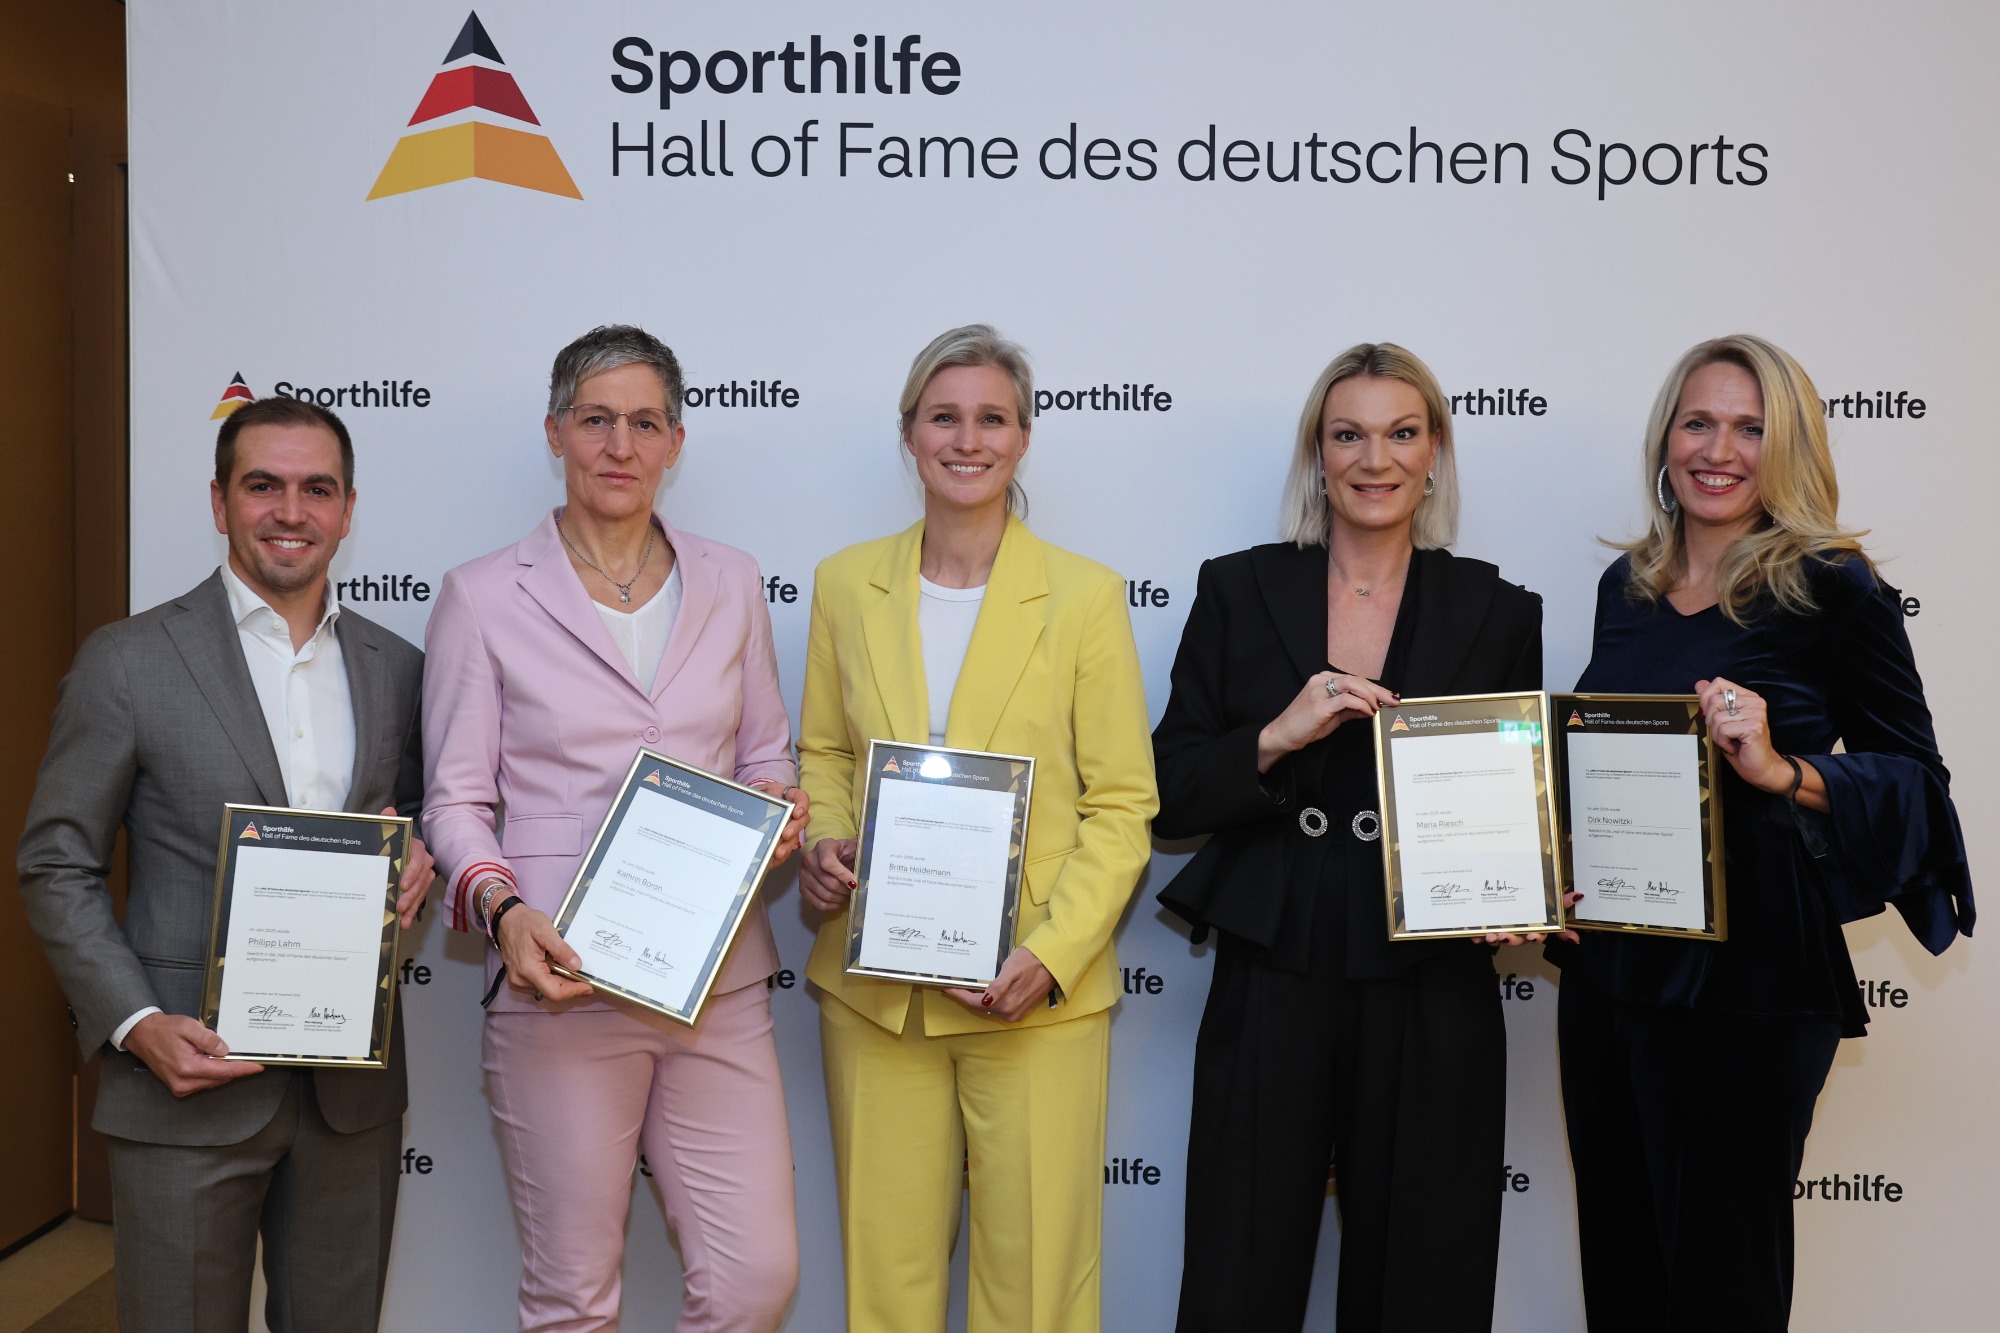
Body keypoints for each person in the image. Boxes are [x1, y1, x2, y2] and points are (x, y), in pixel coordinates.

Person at [1550, 334, 1973, 1331]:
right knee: (1620, 1272)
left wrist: (1783, 768)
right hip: (1612, 973)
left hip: (1751, 982)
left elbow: (1918, 784)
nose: (1718, 450)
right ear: (1665, 437)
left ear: (1788, 447)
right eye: (1697, 422)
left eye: (1750, 428)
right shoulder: (1627, 587)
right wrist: (1557, 874)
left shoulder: (1833, 586)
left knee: (1719, 1287)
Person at [17, 396, 434, 1332]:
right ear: (219, 501)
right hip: (183, 1080)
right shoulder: (127, 661)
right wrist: (134, 1023)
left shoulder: (396, 666)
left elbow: (411, 818)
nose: (291, 511)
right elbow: (56, 861)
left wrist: (420, 854)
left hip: (351, 1098)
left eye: (317, 488)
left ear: (348, 509)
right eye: (263, 485)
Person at [421, 324, 806, 1333]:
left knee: (756, 1277)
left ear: (675, 441)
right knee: (574, 1295)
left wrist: (776, 811)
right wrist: (502, 911)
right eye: (596, 420)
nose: (619, 445)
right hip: (561, 978)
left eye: (643, 422)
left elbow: (767, 755)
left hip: (716, 980)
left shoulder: (732, 578)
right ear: (556, 432)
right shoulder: (481, 594)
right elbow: (453, 800)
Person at [1153, 343, 1543, 1332]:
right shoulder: (1238, 588)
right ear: (1316, 454)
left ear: (1434, 450)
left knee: (1427, 1270)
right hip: (1273, 956)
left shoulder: (1498, 610)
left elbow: (1516, 794)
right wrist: (1276, 735)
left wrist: (1523, 889)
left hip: (1433, 971)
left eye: (1401, 433)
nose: (1375, 459)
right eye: (1348, 435)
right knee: (1238, 1267)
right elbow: (1167, 794)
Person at [796, 324, 1156, 1333]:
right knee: (886, 1287)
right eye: (943, 417)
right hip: (876, 992)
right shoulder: (843, 582)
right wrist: (825, 844)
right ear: (909, 433)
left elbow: (1122, 803)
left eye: (991, 418)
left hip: (1032, 990)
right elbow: (822, 752)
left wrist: (1051, 954)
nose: (967, 439)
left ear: (1024, 437)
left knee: (1036, 1289)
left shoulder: (1085, 595)